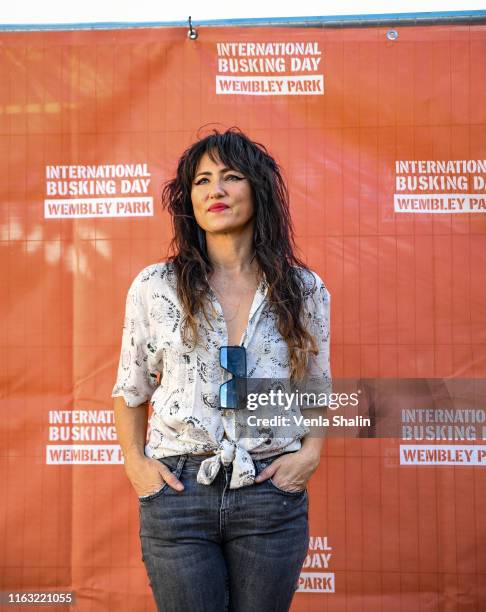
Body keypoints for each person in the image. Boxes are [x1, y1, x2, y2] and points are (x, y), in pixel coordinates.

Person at [112, 127, 332, 612]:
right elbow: (130, 389)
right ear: (188, 198)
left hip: (270, 494)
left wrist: (308, 456)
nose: (215, 190)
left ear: (258, 189)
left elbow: (316, 386)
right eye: (202, 180)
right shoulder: (156, 286)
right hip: (177, 492)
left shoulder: (304, 289)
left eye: (231, 177)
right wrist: (137, 464)